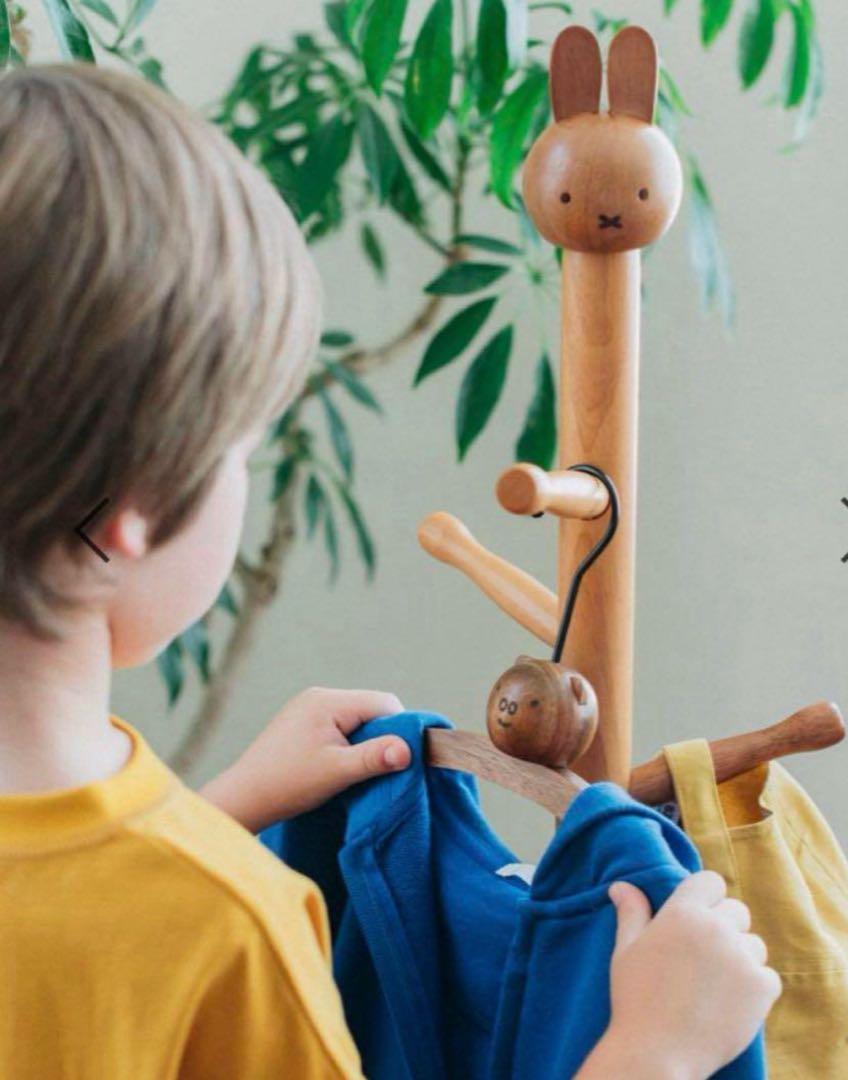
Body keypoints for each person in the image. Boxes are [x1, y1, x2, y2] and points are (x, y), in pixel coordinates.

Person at [0, 63, 780, 1079]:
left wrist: (209, 816)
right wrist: (652, 1051)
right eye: (242, 451)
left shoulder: (195, 905)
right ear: (129, 515)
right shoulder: (228, 938)